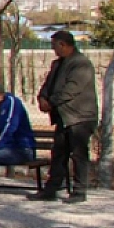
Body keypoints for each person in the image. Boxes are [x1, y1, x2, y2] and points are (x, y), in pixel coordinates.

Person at [32, 30, 98, 204]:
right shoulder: (57, 64)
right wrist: (42, 98)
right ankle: (52, 188)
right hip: (63, 116)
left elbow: (72, 89)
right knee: (59, 153)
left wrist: (51, 102)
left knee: (78, 154)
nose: (53, 49)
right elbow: (48, 84)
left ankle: (79, 190)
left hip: (80, 117)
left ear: (63, 44)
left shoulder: (81, 64)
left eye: (54, 45)